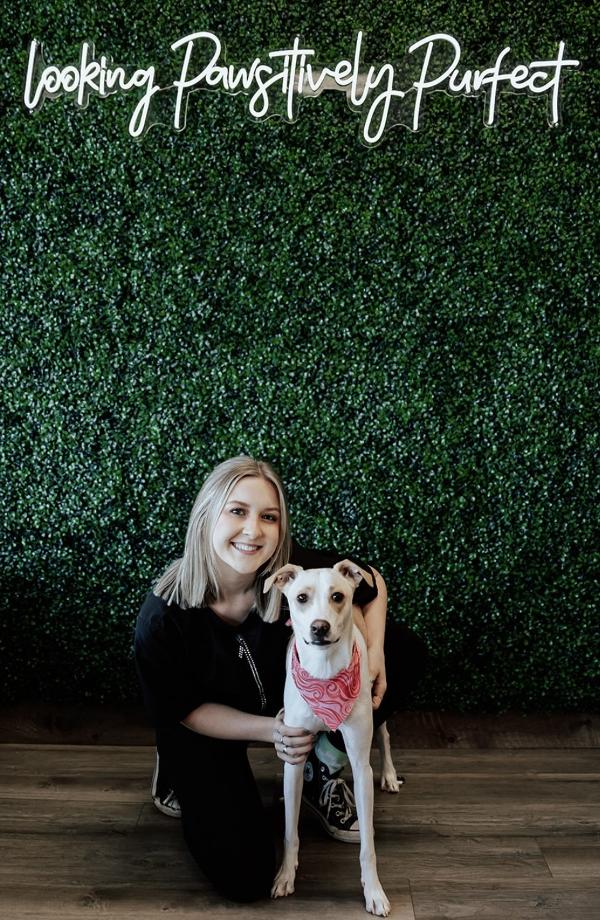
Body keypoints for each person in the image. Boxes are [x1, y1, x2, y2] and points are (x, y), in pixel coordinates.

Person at [134, 456, 428, 902]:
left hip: (287, 697)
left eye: (268, 517)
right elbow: (184, 708)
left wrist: (375, 654)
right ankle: (175, 771)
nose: (253, 530)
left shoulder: (288, 565)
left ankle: (320, 765)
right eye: (237, 511)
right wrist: (273, 730)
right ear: (207, 514)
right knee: (245, 876)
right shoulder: (162, 618)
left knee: (408, 653)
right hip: (205, 723)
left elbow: (372, 582)